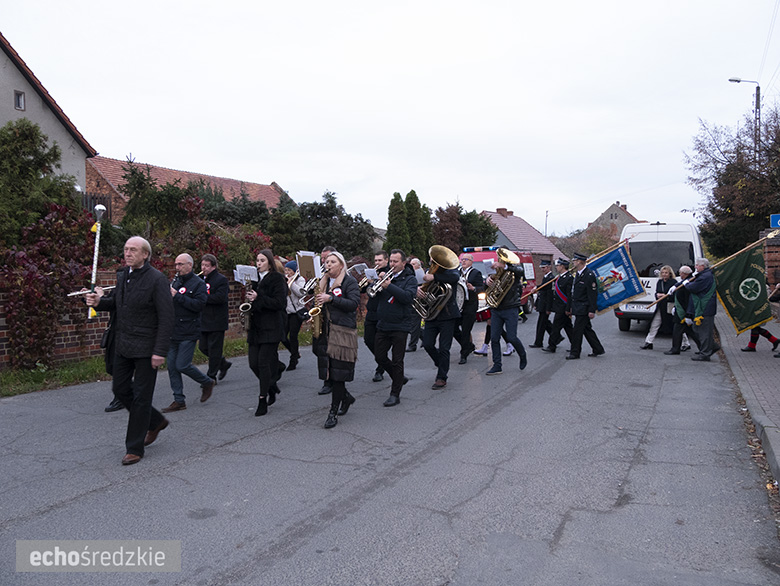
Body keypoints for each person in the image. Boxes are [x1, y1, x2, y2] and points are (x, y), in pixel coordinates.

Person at [85, 236, 174, 465]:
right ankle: (155, 421)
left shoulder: (157, 279)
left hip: (147, 348)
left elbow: (166, 318)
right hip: (123, 345)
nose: (127, 253)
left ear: (145, 254)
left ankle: (134, 448)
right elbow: (116, 304)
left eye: (133, 250)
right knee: (120, 388)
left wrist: (160, 350)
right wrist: (97, 302)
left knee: (142, 398)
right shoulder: (123, 276)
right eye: (125, 249)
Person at [160, 254, 215, 413]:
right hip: (173, 329)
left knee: (182, 364)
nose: (177, 267)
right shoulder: (176, 281)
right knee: (172, 366)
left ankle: (206, 381)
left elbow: (198, 305)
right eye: (176, 264)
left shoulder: (198, 284)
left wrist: (177, 296)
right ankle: (179, 400)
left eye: (180, 264)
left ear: (190, 265)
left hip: (189, 330)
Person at [312, 251, 360, 428]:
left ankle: (333, 412)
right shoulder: (322, 282)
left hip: (342, 332)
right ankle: (346, 398)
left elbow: (353, 304)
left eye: (332, 261)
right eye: (326, 261)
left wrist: (331, 299)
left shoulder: (350, 281)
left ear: (341, 265)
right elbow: (317, 302)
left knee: (338, 374)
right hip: (326, 331)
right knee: (330, 373)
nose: (328, 264)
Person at [373, 249, 418, 406]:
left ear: (403, 263)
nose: (391, 264)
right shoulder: (386, 276)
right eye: (390, 261)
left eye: (395, 262)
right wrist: (374, 284)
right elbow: (373, 295)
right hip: (384, 323)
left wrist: (389, 286)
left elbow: (407, 297)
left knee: (398, 360)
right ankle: (399, 377)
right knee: (379, 356)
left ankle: (395, 394)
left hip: (400, 324)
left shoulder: (410, 279)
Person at [245, 249, 287, 416]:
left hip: (271, 326)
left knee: (263, 363)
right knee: (253, 363)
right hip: (256, 327)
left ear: (269, 262)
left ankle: (263, 399)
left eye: (262, 260)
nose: (259, 263)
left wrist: (258, 297)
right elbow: (252, 300)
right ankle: (271, 385)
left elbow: (280, 303)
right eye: (257, 260)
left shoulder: (277, 278)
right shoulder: (253, 278)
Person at [420, 260, 461, 389]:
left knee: (444, 348)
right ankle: (441, 363)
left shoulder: (451, 271)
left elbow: (455, 277)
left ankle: (441, 377)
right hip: (432, 314)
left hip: (447, 316)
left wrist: (435, 277)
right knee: (427, 344)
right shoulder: (429, 272)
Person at [485, 254, 528, 375]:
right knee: (494, 338)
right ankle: (497, 365)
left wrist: (505, 267)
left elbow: (520, 270)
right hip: (496, 309)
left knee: (511, 337)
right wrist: (487, 281)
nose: (499, 262)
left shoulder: (513, 270)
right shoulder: (496, 274)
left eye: (502, 260)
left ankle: (522, 354)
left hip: (510, 308)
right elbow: (488, 290)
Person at [565, 252, 605, 360]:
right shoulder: (577, 274)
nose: (573, 262)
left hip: (584, 307)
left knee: (577, 331)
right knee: (587, 329)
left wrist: (591, 310)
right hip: (577, 306)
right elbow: (574, 293)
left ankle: (575, 352)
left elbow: (592, 295)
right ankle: (598, 348)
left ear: (580, 262)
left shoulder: (589, 275)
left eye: (575, 260)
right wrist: (570, 307)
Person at [199, 254, 232, 383]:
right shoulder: (200, 279)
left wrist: (202, 298)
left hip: (217, 319)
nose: (204, 268)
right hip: (204, 319)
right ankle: (223, 363)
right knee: (203, 347)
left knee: (214, 349)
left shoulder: (221, 280)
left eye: (207, 266)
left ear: (213, 266)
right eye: (202, 265)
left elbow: (220, 298)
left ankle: (211, 376)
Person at [362, 250, 390, 381]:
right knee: (368, 340)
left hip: (383, 312)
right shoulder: (372, 272)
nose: (377, 263)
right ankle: (383, 361)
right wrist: (367, 282)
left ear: (386, 260)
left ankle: (380, 368)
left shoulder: (390, 272)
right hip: (371, 312)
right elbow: (362, 290)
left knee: (381, 343)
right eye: (376, 260)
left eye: (380, 260)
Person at [454, 252, 485, 364]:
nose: (463, 261)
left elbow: (482, 288)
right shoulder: (457, 272)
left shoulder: (476, 273)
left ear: (471, 262)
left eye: (466, 259)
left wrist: (474, 288)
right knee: (454, 328)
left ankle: (463, 355)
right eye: (462, 259)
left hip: (470, 305)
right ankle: (468, 345)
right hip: (458, 305)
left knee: (466, 330)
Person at [686, 258, 719, 362]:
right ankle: (712, 346)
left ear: (703, 266)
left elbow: (694, 288)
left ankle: (705, 353)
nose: (695, 267)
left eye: (697, 265)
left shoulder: (705, 276)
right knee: (697, 328)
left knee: (703, 331)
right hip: (703, 308)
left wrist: (687, 284)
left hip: (705, 308)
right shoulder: (704, 275)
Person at [663, 265, 700, 355]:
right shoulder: (686, 281)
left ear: (684, 274)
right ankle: (706, 347)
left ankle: (675, 349)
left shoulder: (690, 281)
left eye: (680, 273)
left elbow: (688, 299)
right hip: (681, 309)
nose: (679, 274)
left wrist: (688, 314)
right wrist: (675, 286)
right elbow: (681, 284)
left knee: (677, 330)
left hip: (683, 311)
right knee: (691, 331)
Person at [316, 246, 338, 395]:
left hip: (335, 319)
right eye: (323, 259)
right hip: (321, 317)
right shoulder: (321, 276)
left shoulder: (341, 278)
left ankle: (330, 381)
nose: (325, 262)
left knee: (329, 351)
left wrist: (330, 298)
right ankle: (327, 377)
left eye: (328, 259)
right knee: (318, 349)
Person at [640, 265, 676, 350]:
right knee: (654, 324)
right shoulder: (660, 282)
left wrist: (666, 296)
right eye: (662, 273)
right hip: (661, 305)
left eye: (666, 273)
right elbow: (656, 292)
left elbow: (675, 295)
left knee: (675, 324)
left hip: (670, 306)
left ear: (670, 273)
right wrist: (657, 295)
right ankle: (649, 342)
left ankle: (685, 343)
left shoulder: (673, 282)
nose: (664, 274)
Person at [543, 258, 574, 353]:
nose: (556, 267)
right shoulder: (560, 277)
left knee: (556, 327)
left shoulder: (569, 278)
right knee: (569, 328)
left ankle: (552, 346)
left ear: (562, 266)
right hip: (559, 306)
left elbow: (569, 295)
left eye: (557, 266)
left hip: (563, 307)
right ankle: (575, 345)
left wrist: (568, 308)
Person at [282, 260, 306, 370]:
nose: (287, 272)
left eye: (289, 270)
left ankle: (293, 360)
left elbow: (301, 293)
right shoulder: (283, 279)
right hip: (286, 312)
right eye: (285, 270)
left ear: (294, 271)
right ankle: (295, 352)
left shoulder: (300, 280)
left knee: (293, 336)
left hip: (296, 312)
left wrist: (291, 284)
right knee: (282, 336)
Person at [529, 259, 554, 349]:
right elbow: (541, 294)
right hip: (542, 304)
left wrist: (548, 308)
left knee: (541, 324)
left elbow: (548, 294)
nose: (542, 269)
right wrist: (536, 303)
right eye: (542, 268)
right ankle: (556, 337)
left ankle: (539, 342)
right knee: (544, 323)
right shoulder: (546, 277)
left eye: (544, 267)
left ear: (548, 267)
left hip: (545, 305)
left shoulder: (551, 278)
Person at [406, 257, 424, 352]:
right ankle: (423, 336)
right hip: (412, 299)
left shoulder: (419, 273)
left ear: (418, 265)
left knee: (414, 322)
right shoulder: (415, 273)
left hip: (418, 300)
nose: (411, 266)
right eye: (411, 264)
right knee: (412, 323)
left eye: (414, 264)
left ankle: (413, 344)